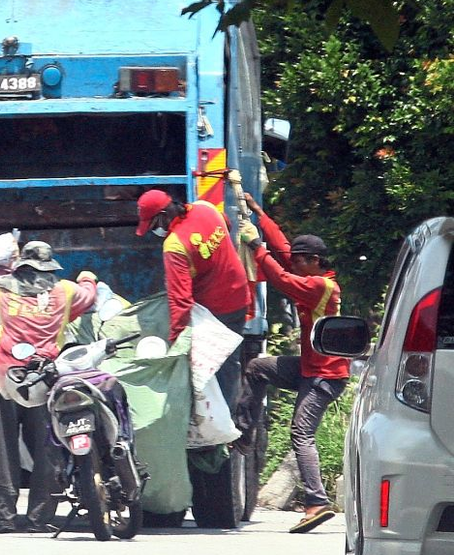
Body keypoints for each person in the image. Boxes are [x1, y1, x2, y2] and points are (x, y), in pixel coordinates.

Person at [234, 197, 348, 534]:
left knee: (301, 434)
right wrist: (258, 213)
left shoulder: (319, 285)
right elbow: (283, 251)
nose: (293, 264)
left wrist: (255, 244)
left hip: (324, 376)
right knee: (257, 368)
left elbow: (281, 277)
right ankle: (243, 433)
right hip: (310, 367)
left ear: (314, 261)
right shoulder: (311, 274)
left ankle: (317, 502)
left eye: (300, 261)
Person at [0, 238, 98, 533]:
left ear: (22, 266)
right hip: (46, 382)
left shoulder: (3, 288)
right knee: (48, 449)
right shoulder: (65, 291)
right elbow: (89, 297)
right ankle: (39, 518)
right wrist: (88, 277)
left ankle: (4, 518)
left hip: (5, 379)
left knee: (1, 451)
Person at [134, 189, 251, 408]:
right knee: (230, 365)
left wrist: (176, 342)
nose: (154, 230)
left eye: (153, 225)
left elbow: (181, 300)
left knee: (210, 373)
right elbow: (227, 226)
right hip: (239, 297)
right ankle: (235, 421)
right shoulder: (205, 208)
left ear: (163, 215)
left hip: (214, 313)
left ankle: (221, 425)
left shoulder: (175, 245)